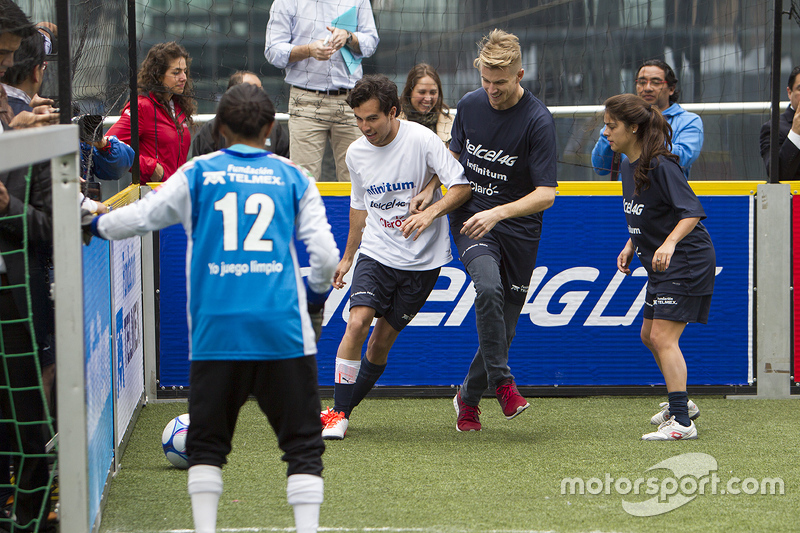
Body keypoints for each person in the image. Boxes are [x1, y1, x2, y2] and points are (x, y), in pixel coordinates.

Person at [87, 82, 338, 533]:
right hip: (283, 331)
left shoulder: (197, 173)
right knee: (302, 444)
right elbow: (323, 257)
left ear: (219, 127)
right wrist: (315, 303)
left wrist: (95, 221)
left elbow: (141, 217)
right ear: (269, 129)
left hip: (216, 333)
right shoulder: (294, 177)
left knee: (206, 446)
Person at [415, 29, 557, 432]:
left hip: (519, 229)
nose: (492, 90)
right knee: (488, 287)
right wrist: (430, 190)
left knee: (504, 330)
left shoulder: (538, 120)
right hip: (472, 218)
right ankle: (504, 384)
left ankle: (467, 397)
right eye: (486, 81)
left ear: (520, 75)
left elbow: (546, 194)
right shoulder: (470, 105)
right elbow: (453, 158)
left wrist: (499, 213)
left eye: (501, 82)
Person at [318, 74, 470, 440]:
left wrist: (430, 212)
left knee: (379, 343)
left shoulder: (422, 139)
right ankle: (337, 413)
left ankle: (342, 409)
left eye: (371, 118)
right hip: (377, 250)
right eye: (358, 119)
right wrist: (348, 256)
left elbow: (461, 187)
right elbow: (359, 208)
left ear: (393, 111)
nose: (364, 127)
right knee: (357, 323)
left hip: (423, 261)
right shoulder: (356, 153)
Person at [604, 93, 715, 440]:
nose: (605, 133)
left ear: (633, 127)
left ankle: (682, 421)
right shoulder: (626, 163)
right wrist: (630, 244)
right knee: (648, 336)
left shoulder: (662, 165)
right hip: (659, 263)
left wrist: (668, 243)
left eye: (611, 126)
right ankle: (683, 402)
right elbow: (643, 211)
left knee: (662, 336)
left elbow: (691, 211)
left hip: (686, 259)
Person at [264, 0, 379, 182]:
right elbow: (272, 50)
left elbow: (371, 41)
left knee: (358, 178)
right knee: (303, 179)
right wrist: (308, 50)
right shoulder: (286, 2)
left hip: (352, 102)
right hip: (306, 100)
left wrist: (349, 37)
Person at [592, 59, 703, 180]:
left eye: (656, 82)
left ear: (671, 88)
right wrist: (611, 128)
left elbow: (681, 159)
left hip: (665, 196)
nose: (647, 88)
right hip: (626, 196)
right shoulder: (623, 118)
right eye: (642, 82)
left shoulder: (689, 121)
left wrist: (644, 130)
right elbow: (600, 167)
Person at [108, 41, 195, 184]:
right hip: (153, 196)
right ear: (158, 75)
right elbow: (111, 143)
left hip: (177, 194)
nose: (183, 78)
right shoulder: (142, 106)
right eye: (176, 72)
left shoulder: (178, 106)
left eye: (185, 71)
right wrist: (151, 167)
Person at [191, 70, 289, 158]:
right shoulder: (211, 129)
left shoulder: (274, 127)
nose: (259, 94)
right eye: (254, 89)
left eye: (260, 89)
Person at [759, 65, 800, 180]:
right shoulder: (773, 129)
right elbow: (777, 175)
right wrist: (795, 133)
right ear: (789, 92)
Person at [398, 63, 453, 146]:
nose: (428, 98)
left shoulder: (451, 123)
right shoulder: (394, 122)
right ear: (410, 92)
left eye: (433, 92)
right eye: (422, 92)